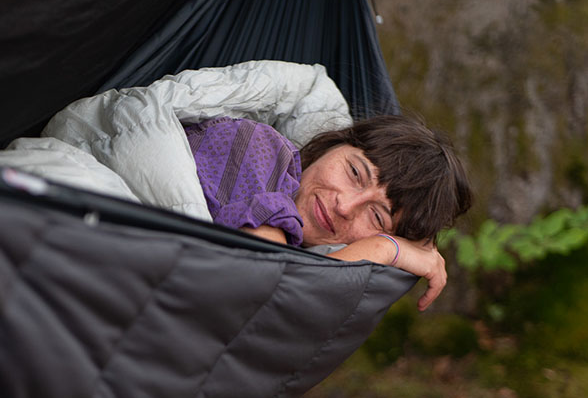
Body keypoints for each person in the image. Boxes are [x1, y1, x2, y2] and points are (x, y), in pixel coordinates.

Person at [184, 113, 472, 310]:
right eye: (354, 172)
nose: (345, 207)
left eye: (377, 217)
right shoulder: (256, 148)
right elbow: (268, 289)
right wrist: (386, 249)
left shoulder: (303, 247)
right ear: (336, 143)